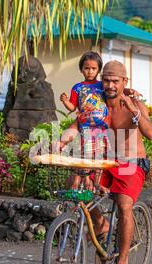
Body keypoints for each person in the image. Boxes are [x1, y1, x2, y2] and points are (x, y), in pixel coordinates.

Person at [93, 60, 152, 264]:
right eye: (106, 80)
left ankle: (123, 260)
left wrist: (135, 112)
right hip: (106, 162)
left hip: (132, 163)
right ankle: (102, 225)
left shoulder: (134, 103)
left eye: (115, 81)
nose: (110, 85)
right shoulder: (96, 102)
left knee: (124, 205)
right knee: (78, 191)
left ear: (124, 81)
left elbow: (151, 133)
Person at [59, 51, 110, 189]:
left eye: (93, 68)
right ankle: (87, 181)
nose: (90, 71)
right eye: (87, 68)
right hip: (86, 128)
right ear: (81, 69)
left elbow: (114, 93)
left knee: (100, 156)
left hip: (102, 128)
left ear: (98, 69)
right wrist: (65, 101)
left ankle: (98, 183)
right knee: (87, 155)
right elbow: (72, 106)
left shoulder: (102, 86)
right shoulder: (78, 88)